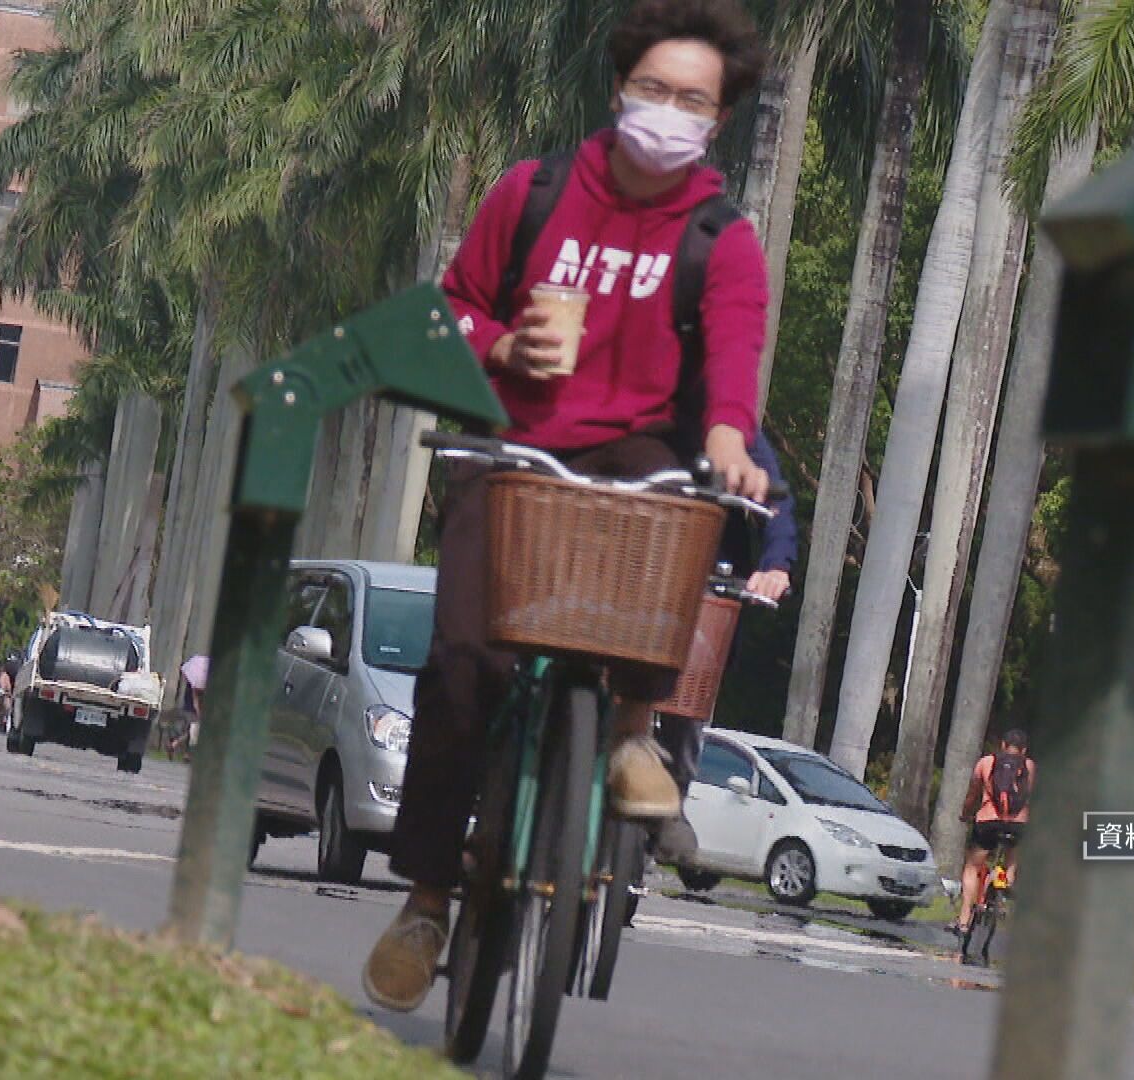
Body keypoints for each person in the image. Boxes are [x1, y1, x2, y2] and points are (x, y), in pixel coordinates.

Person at [362, 0, 771, 1012]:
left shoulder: (722, 239)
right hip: (511, 448)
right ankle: (426, 899)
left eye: (693, 101)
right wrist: (500, 343)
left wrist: (728, 440)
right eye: (654, 89)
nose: (669, 112)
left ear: (718, 121)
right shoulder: (533, 194)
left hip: (637, 453)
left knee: (671, 532)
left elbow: (734, 357)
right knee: (464, 669)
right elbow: (454, 304)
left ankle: (630, 726)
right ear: (619, 89)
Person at [650, 428, 798, 864]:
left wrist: (776, 566)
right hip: (626, 564)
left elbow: (774, 501)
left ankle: (672, 794)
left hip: (705, 579)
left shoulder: (731, 425)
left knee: (690, 689)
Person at [955, 729, 1035, 936]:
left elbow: (973, 794)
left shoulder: (986, 762)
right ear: (1024, 750)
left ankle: (963, 920)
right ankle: (1005, 886)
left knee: (973, 866)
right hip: (1017, 825)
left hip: (988, 822)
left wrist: (965, 814)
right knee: (1012, 856)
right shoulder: (1029, 766)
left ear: (1003, 745)